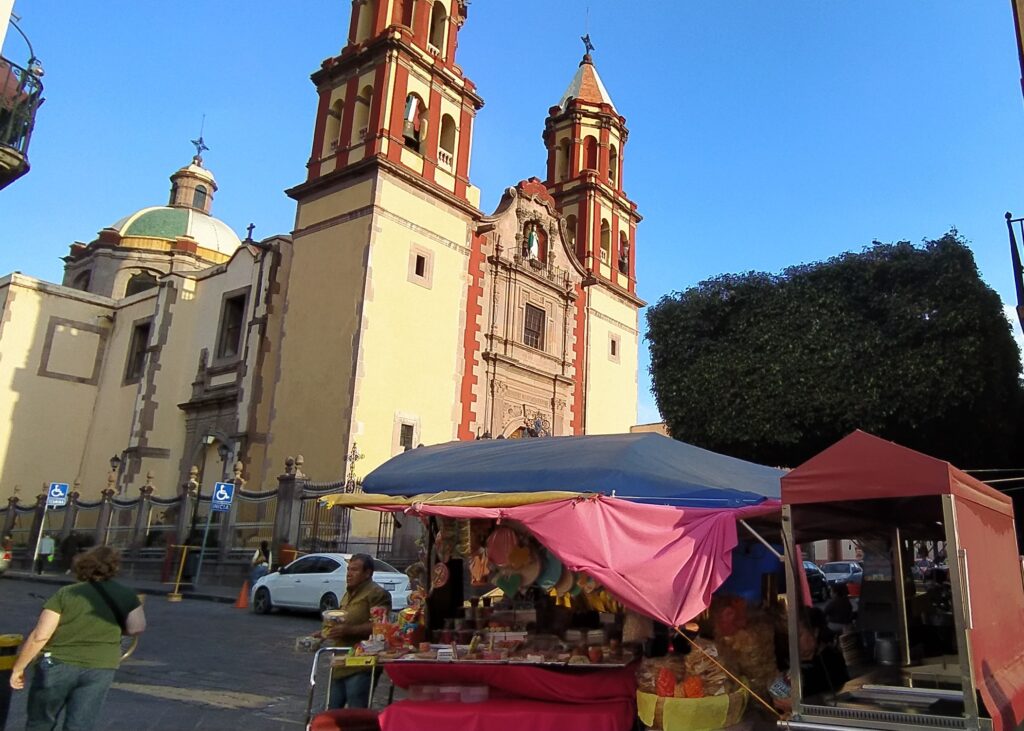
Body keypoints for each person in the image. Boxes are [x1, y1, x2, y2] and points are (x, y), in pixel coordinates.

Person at [10, 546, 146, 731]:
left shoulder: (67, 593)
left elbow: (40, 635)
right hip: (100, 666)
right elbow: (137, 627)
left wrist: (19, 667)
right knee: (80, 725)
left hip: (58, 663)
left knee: (40, 722)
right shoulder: (127, 594)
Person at [324, 554, 391, 709]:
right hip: (341, 662)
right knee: (332, 710)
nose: (349, 574)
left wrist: (350, 630)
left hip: (361, 665)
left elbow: (381, 626)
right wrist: (324, 633)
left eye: (354, 570)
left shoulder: (376, 594)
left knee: (356, 713)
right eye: (348, 569)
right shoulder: (349, 593)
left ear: (367, 573)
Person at [773, 608, 849, 714]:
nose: (791, 641)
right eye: (788, 637)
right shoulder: (785, 663)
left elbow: (834, 700)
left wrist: (799, 705)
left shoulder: (831, 660)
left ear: (815, 632)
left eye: (798, 635)